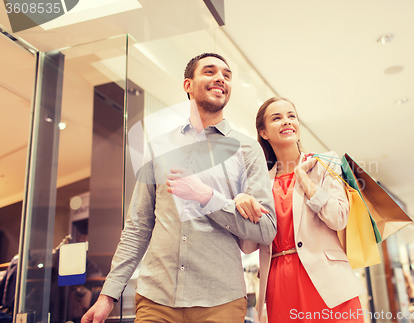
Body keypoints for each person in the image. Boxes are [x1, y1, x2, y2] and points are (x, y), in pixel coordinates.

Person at [82, 53, 276, 323]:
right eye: (210, 71)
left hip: (220, 301)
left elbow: (266, 229)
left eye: (227, 75)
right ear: (188, 85)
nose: (220, 78)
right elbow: (138, 226)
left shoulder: (247, 150)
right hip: (156, 300)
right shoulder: (158, 147)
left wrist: (208, 197)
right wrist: (107, 296)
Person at [238, 97, 366, 322]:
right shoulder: (258, 182)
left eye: (291, 116)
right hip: (280, 283)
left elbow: (339, 218)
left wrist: (305, 181)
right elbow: (248, 246)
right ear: (264, 132)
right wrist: (242, 204)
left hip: (328, 281)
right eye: (277, 118)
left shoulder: (325, 163)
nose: (286, 122)